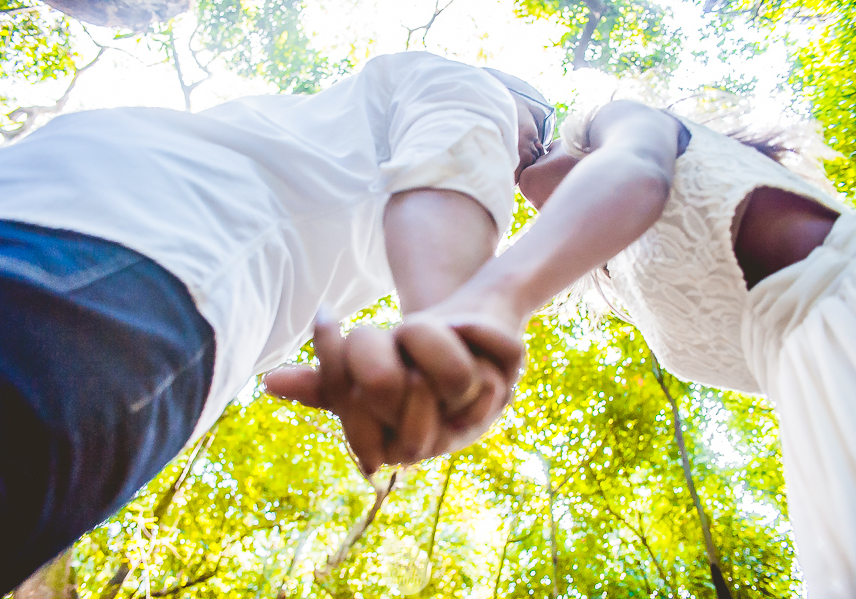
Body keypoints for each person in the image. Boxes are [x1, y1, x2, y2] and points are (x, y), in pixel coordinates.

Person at [0, 51, 553, 597]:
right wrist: (448, 325)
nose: (527, 161)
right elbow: (459, 152)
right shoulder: (471, 92)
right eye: (535, 136)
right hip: (146, 266)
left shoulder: (320, 127)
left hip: (9, 205)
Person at [270, 99, 855, 597]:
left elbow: (635, 167)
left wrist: (496, 302)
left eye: (541, 136)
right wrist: (437, 376)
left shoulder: (619, 122)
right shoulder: (618, 273)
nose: (528, 150)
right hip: (819, 420)